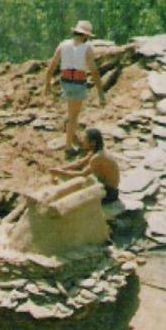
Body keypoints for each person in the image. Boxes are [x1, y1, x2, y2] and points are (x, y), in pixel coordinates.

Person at [44, 20, 106, 157]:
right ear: (86, 35)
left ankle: (72, 135)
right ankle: (68, 146)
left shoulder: (63, 45)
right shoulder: (87, 48)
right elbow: (94, 71)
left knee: (72, 113)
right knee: (73, 116)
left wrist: (47, 84)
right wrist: (101, 93)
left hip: (65, 81)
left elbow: (52, 66)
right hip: (77, 83)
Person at [50, 128, 121, 203]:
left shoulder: (98, 157)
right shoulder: (96, 151)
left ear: (93, 142)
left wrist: (60, 172)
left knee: (78, 192)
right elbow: (79, 164)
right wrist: (61, 168)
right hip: (106, 187)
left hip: (110, 193)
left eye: (85, 139)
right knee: (81, 181)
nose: (83, 142)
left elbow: (82, 173)